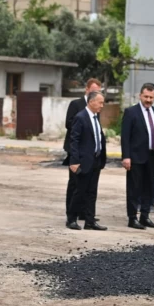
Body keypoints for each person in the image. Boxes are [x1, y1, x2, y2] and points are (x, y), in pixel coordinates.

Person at [121, 83, 154, 229]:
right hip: (135, 157)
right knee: (134, 188)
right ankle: (132, 218)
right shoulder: (131, 112)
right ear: (140, 95)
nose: (148, 100)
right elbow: (125, 137)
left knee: (149, 187)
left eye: (151, 97)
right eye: (146, 96)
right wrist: (126, 156)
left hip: (153, 157)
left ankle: (145, 216)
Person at [66, 91, 108, 231]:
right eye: (100, 102)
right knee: (80, 191)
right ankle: (71, 219)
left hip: (95, 160)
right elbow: (74, 140)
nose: (102, 105)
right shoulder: (81, 117)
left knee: (92, 192)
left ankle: (90, 221)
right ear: (91, 102)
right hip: (84, 161)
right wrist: (74, 161)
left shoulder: (95, 117)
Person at [63, 78, 102, 224]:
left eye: (98, 91)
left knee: (89, 186)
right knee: (76, 184)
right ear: (87, 90)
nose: (96, 94)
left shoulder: (96, 108)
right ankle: (71, 214)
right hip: (76, 150)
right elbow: (69, 124)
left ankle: (85, 214)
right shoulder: (77, 105)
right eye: (93, 91)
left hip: (90, 152)